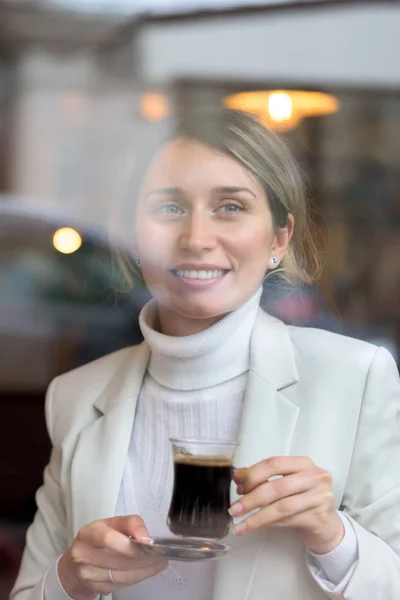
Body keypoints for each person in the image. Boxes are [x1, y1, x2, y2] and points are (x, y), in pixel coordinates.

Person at [11, 108, 400, 600]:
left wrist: (333, 535)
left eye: (230, 207)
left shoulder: (355, 377)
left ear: (279, 237)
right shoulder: (76, 396)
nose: (195, 239)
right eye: (169, 208)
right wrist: (69, 580)